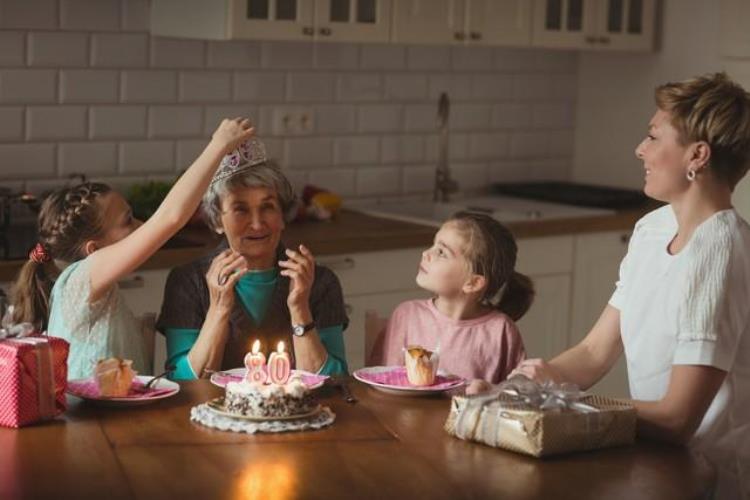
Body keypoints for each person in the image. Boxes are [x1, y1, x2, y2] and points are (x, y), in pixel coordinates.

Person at [505, 73, 750, 499]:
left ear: (698, 155)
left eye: (654, 137)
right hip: (656, 464)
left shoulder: (719, 250)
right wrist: (528, 385)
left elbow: (677, 419)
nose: (641, 149)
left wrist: (567, 406)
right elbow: (593, 352)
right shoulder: (653, 229)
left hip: (709, 480)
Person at [11, 118, 254, 380]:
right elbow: (168, 219)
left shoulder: (94, 289)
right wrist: (218, 145)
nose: (140, 226)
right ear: (94, 250)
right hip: (91, 420)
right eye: (128, 220)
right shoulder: (80, 280)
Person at [156, 140, 348, 380]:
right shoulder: (188, 282)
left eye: (267, 207)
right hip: (212, 416)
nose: (257, 224)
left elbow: (336, 382)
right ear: (216, 221)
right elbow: (182, 382)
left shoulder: (319, 281)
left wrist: (300, 308)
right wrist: (219, 309)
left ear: (283, 215)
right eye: (240, 209)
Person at [368, 211, 532, 385]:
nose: (425, 253)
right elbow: (383, 382)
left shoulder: (501, 330)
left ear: (473, 282)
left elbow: (516, 395)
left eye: (441, 252)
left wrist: (489, 391)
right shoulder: (406, 315)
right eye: (432, 245)